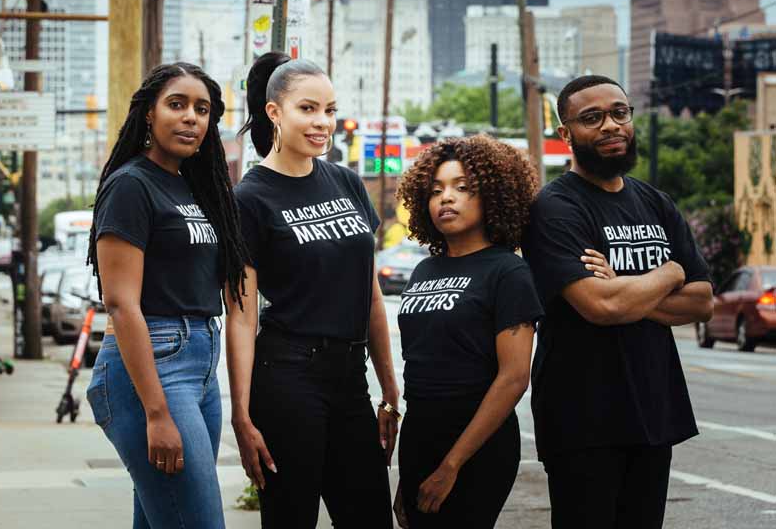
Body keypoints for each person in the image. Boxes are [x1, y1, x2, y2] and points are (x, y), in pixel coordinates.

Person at [520, 75, 714, 529]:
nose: (611, 126)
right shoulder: (553, 209)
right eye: (592, 118)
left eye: (619, 113)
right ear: (565, 133)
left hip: (652, 409)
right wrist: (670, 273)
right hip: (582, 418)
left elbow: (703, 302)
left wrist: (624, 286)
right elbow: (600, 307)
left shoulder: (655, 203)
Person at [225, 51, 399, 528]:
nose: (322, 122)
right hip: (286, 377)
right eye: (308, 109)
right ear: (274, 112)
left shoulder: (346, 182)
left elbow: (370, 295)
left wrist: (388, 390)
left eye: (330, 110)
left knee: (368, 516)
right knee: (291, 517)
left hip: (350, 379)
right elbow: (241, 315)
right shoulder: (248, 199)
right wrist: (241, 416)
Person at [84, 62, 250, 529]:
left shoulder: (193, 189)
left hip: (199, 366)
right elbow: (121, 304)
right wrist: (156, 411)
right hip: (153, 369)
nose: (191, 118)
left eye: (203, 110)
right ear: (149, 115)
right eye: (176, 105)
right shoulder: (131, 185)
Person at [392, 135, 542, 528]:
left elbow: (514, 378)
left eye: (462, 188)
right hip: (420, 432)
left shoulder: (508, 272)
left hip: (478, 443)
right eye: (437, 190)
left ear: (492, 195)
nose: (446, 198)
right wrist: (408, 473)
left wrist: (452, 464)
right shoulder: (425, 269)